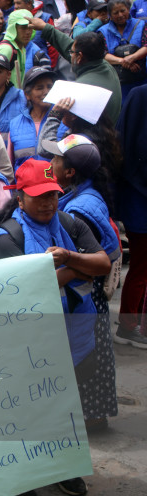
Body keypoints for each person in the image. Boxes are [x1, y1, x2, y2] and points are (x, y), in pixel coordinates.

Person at [0, 159, 111, 496]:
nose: (47, 204)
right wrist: (76, 271)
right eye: (38, 196)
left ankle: (63, 467)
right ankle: (21, 475)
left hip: (75, 338)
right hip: (28, 346)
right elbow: (18, 293)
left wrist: (69, 259)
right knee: (25, 409)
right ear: (21, 197)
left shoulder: (70, 224)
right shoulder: (6, 238)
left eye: (52, 195)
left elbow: (103, 263)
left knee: (66, 408)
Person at [43, 134, 120, 429]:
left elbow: (90, 260)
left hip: (88, 291)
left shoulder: (76, 211)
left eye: (56, 159)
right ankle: (94, 415)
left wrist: (71, 267)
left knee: (88, 355)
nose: (51, 163)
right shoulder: (86, 195)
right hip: (93, 290)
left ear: (70, 172)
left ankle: (92, 418)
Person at [27, 16, 122, 123]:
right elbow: (68, 46)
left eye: (72, 53)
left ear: (79, 57)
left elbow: (68, 123)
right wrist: (46, 28)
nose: (69, 54)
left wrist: (55, 114)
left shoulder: (82, 88)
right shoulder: (103, 64)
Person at [115, 83, 147, 348]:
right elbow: (126, 148)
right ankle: (128, 325)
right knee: (141, 267)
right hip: (139, 198)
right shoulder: (139, 96)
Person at [100, 0, 147, 101]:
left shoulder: (142, 24)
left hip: (142, 79)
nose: (120, 15)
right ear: (110, 16)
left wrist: (133, 57)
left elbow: (146, 45)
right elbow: (103, 54)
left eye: (123, 11)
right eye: (116, 13)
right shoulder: (102, 31)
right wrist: (122, 61)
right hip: (117, 83)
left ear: (128, 9)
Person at [9, 66, 55, 169]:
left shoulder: (62, 121)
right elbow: (10, 165)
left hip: (55, 184)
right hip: (24, 185)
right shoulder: (15, 124)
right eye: (39, 88)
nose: (46, 92)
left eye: (49, 87)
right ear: (27, 95)